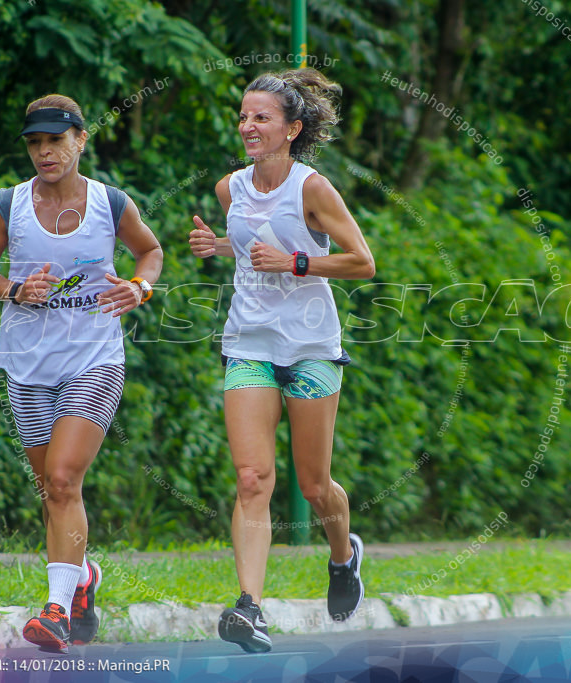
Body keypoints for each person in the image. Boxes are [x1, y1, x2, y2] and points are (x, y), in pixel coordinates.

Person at [188, 68, 375, 653]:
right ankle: (250, 607)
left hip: (312, 345)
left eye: (261, 118)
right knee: (252, 478)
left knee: (316, 486)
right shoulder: (229, 189)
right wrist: (215, 247)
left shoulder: (312, 188)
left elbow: (361, 261)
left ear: (292, 129)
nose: (248, 126)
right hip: (250, 341)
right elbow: (251, 249)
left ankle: (344, 557)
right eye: (244, 116)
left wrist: (294, 263)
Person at [0, 94, 163, 652]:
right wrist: (14, 289)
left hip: (95, 359)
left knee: (62, 480)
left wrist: (139, 286)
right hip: (27, 364)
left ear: (80, 140)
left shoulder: (110, 202)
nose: (44, 152)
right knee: (50, 491)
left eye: (55, 140)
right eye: (34, 143)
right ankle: (82, 578)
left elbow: (151, 252)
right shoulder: (9, 205)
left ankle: (53, 611)